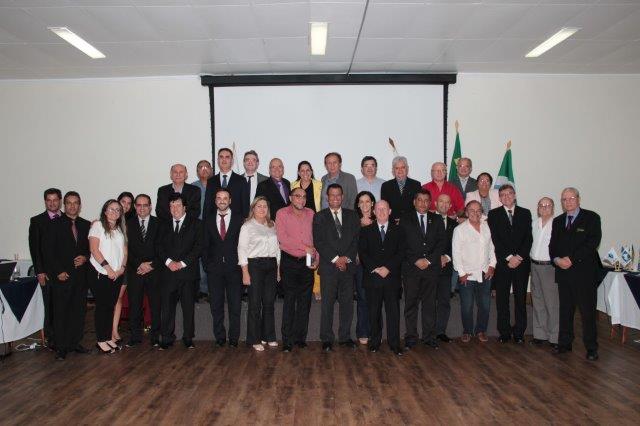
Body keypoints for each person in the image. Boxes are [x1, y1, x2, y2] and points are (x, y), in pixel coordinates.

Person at [549, 187, 601, 361]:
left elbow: (592, 243)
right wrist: (556, 260)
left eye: (571, 198)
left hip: (584, 274)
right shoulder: (558, 221)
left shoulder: (592, 218)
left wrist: (571, 259)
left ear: (578, 199)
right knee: (565, 310)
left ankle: (591, 348)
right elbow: (552, 245)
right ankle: (565, 343)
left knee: (587, 313)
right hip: (563, 273)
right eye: (564, 199)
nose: (568, 202)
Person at [43, 191, 90, 360]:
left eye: (75, 203)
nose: (72, 206)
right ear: (64, 205)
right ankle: (61, 347)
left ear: (80, 205)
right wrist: (58, 272)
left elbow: (91, 249)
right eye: (69, 203)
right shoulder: (54, 224)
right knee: (61, 312)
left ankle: (74, 342)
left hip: (80, 277)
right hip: (62, 276)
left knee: (78, 311)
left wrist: (85, 257)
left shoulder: (86, 225)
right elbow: (48, 252)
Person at [313, 184, 360, 351]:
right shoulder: (319, 216)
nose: (335, 198)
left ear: (342, 196)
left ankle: (345, 337)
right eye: (332, 195)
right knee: (327, 305)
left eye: (338, 195)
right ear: (327, 197)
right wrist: (336, 259)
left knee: (347, 305)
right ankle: (327, 338)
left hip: (347, 267)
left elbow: (356, 240)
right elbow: (319, 242)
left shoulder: (352, 216)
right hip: (328, 268)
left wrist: (345, 259)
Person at [399, 189, 445, 350]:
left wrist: (429, 260)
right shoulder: (405, 219)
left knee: (430, 304)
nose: (423, 203)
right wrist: (415, 260)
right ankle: (411, 337)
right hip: (411, 269)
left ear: (430, 202)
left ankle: (429, 337)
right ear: (414, 202)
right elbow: (401, 244)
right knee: (411, 304)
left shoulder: (437, 219)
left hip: (431, 269)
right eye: (420, 200)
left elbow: (441, 243)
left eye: (426, 200)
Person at [358, 200, 405, 356]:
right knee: (374, 313)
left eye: (385, 209)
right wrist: (376, 269)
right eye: (378, 209)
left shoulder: (399, 230)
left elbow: (401, 252)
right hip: (373, 278)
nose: (382, 211)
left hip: (392, 278)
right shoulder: (366, 231)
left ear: (390, 211)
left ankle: (394, 343)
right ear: (374, 212)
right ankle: (375, 342)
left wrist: (388, 268)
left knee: (393, 313)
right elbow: (363, 253)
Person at [487, 184, 532, 344]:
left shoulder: (525, 213)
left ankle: (519, 332)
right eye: (503, 195)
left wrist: (518, 257)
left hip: (521, 263)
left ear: (515, 195)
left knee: (520, 299)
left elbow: (528, 238)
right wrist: (508, 258)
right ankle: (504, 332)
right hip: (503, 264)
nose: (506, 197)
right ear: (499, 198)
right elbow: (495, 239)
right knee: (502, 299)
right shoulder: (493, 214)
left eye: (509, 194)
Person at [157, 194, 202, 350]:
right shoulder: (163, 225)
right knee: (167, 308)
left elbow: (198, 247)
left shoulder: (196, 224)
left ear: (184, 207)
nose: (174, 208)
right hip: (168, 273)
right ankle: (167, 338)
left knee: (188, 308)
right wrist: (169, 262)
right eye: (171, 206)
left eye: (177, 205)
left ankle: (188, 338)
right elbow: (158, 246)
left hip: (187, 273)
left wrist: (182, 263)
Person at [276, 187, 318, 352]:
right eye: (298, 196)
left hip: (307, 262)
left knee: (305, 302)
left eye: (304, 197)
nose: (301, 199)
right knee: (289, 301)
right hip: (289, 262)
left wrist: (316, 258)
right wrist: (304, 247)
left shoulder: (311, 214)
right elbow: (282, 239)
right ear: (290, 198)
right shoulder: (282, 213)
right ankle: (287, 340)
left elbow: (315, 239)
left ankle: (300, 338)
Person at [238, 196, 280, 352]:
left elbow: (277, 248)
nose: (262, 209)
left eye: (265, 206)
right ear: (253, 209)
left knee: (269, 303)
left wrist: (278, 269)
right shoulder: (247, 226)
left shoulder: (272, 224)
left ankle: (268, 336)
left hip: (271, 265)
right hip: (254, 266)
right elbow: (242, 249)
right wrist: (245, 272)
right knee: (255, 304)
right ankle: (254, 339)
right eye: (259, 206)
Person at [203, 188, 243, 348]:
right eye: (219, 198)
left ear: (230, 200)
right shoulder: (208, 219)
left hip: (235, 269)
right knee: (216, 305)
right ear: (215, 201)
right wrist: (207, 266)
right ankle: (220, 336)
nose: (222, 200)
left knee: (235, 305)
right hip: (214, 270)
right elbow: (205, 245)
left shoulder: (240, 219)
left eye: (225, 198)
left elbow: (243, 244)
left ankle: (234, 338)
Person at [452, 201, 496, 343]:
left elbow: (492, 248)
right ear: (466, 212)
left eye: (478, 210)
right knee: (467, 305)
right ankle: (467, 331)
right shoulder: (460, 230)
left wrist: (492, 265)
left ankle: (481, 330)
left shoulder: (486, 227)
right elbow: (456, 253)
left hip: (485, 272)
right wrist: (461, 273)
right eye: (472, 210)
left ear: (482, 212)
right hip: (467, 274)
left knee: (485, 305)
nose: (475, 213)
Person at [88, 199, 127, 354]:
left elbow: (125, 252)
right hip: (101, 273)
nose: (114, 212)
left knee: (110, 306)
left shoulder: (120, 229)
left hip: (117, 274)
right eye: (111, 209)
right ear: (105, 211)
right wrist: (108, 268)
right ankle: (101, 340)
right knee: (102, 307)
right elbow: (94, 249)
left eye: (118, 210)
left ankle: (108, 337)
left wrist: (122, 268)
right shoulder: (97, 226)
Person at [125, 194, 161, 347]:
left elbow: (163, 248)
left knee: (156, 306)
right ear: (135, 207)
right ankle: (135, 337)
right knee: (135, 306)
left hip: (154, 271)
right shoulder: (127, 224)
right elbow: (126, 249)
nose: (142, 208)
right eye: (138, 205)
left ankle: (155, 337)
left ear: (150, 206)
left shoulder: (159, 223)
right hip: (135, 271)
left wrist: (151, 265)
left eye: (145, 205)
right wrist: (139, 264)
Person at [28, 187, 62, 349]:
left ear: (60, 201)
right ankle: (52, 339)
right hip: (47, 273)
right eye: (49, 200)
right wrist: (40, 271)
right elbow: (35, 249)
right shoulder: (37, 221)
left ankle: (65, 335)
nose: (52, 203)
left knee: (64, 306)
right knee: (50, 306)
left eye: (55, 200)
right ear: (45, 202)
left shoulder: (68, 219)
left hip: (66, 273)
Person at [530, 197, 559, 349]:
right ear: (538, 208)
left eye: (547, 205)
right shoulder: (534, 224)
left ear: (553, 208)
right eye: (541, 205)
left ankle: (554, 336)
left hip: (549, 267)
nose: (544, 207)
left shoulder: (557, 224)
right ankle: (540, 334)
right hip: (534, 265)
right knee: (538, 301)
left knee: (552, 303)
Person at [291, 161, 322, 300]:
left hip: (315, 223)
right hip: (297, 223)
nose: (305, 173)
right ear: (298, 172)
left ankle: (316, 288)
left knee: (315, 253)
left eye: (308, 170)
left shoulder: (319, 185)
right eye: (302, 170)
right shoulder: (292, 185)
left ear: (311, 171)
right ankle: (301, 287)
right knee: (302, 252)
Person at [112, 191, 136, 344]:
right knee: (110, 299)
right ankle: (108, 331)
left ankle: (114, 330)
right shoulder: (107, 220)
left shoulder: (132, 222)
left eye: (129, 203)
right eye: (123, 202)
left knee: (118, 298)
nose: (126, 206)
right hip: (108, 267)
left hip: (124, 266)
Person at [434, 194, 458, 343]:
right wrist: (437, 257)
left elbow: (457, 245)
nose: (444, 204)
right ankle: (429, 332)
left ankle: (440, 331)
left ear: (450, 206)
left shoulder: (455, 225)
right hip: (430, 267)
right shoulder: (428, 220)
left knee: (444, 301)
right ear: (435, 203)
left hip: (447, 268)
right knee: (429, 301)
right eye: (441, 201)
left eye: (447, 202)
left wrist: (447, 257)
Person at [354, 191, 376, 345]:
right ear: (357, 204)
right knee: (362, 298)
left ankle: (375, 331)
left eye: (367, 201)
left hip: (376, 265)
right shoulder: (353, 221)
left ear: (372, 203)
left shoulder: (379, 219)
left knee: (375, 299)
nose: (364, 204)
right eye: (361, 201)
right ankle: (363, 331)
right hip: (360, 265)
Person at [204, 147, 248, 220]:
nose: (224, 160)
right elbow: (207, 205)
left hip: (236, 222)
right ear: (218, 160)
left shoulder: (241, 180)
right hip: (214, 222)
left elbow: (245, 206)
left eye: (227, 157)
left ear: (232, 161)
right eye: (221, 157)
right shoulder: (211, 181)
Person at [192, 159, 213, 300]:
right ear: (197, 171)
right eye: (201, 167)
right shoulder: (192, 187)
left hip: (214, 227)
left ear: (211, 169)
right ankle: (202, 289)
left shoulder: (217, 185)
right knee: (199, 258)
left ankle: (212, 289)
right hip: (197, 228)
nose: (204, 169)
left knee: (213, 257)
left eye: (207, 167)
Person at [381, 156, 422, 224]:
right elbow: (385, 208)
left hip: (411, 224)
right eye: (397, 168)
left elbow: (418, 207)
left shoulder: (416, 185)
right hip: (392, 224)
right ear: (393, 171)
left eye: (403, 167)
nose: (400, 170)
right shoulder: (386, 186)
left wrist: (405, 221)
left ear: (407, 169)